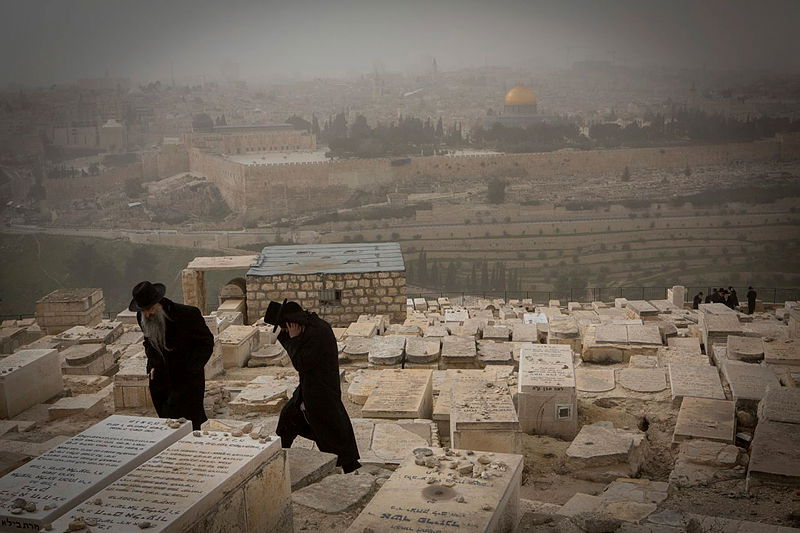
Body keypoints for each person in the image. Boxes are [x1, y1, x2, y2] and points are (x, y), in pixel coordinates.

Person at [266, 299, 361, 473]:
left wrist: (293, 340)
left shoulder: (317, 334)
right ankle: (278, 458)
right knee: (288, 419)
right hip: (309, 388)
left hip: (322, 391)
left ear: (292, 324)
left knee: (332, 430)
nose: (286, 332)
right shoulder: (310, 327)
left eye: (286, 328)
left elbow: (301, 363)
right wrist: (290, 338)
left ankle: (349, 466)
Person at [131, 281, 214, 430]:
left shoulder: (188, 314)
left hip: (187, 378)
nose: (148, 314)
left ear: (159, 302)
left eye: (150, 308)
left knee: (192, 421)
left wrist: (192, 369)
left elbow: (206, 343)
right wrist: (152, 365)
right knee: (168, 422)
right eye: (143, 310)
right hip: (161, 379)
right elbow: (148, 342)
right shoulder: (142, 317)